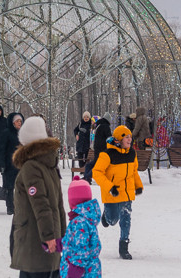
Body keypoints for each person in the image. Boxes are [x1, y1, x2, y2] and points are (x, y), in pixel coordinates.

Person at [10, 116, 66, 277]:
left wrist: (49, 237)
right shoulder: (49, 164)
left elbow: (41, 204)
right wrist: (61, 234)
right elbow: (58, 205)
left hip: (35, 243)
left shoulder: (31, 167)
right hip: (49, 243)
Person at [93, 125, 143, 260]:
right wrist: (110, 187)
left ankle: (124, 247)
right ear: (119, 139)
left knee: (126, 219)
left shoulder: (132, 153)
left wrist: (138, 185)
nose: (129, 139)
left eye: (130, 137)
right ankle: (106, 216)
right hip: (112, 193)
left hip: (127, 193)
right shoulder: (107, 154)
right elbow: (96, 172)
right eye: (126, 137)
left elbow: (133, 171)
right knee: (113, 220)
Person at [60, 177, 101, 278]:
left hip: (82, 272)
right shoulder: (87, 218)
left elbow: (81, 249)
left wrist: (76, 270)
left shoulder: (79, 222)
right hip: (91, 270)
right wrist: (57, 244)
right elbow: (73, 242)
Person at [0, 112, 23, 215]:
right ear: (12, 123)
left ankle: (19, 206)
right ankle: (10, 207)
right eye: (17, 121)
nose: (19, 123)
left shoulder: (23, 133)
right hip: (9, 165)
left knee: (21, 186)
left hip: (20, 164)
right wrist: (1, 164)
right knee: (9, 187)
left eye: (20, 121)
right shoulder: (6, 133)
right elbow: (1, 149)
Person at [84, 113, 111, 184]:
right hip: (103, 149)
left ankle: (86, 177)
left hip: (97, 148)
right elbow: (109, 138)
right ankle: (87, 177)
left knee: (90, 164)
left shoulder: (99, 125)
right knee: (97, 165)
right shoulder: (106, 126)